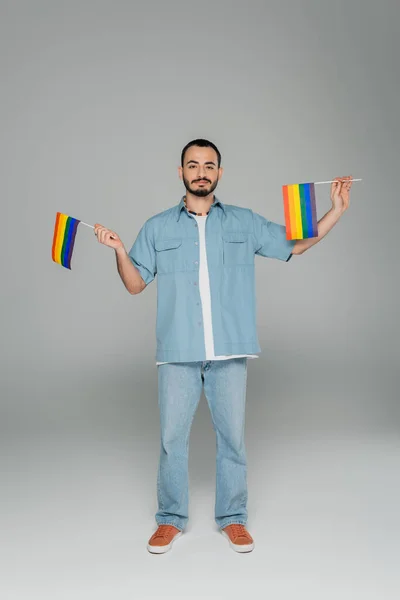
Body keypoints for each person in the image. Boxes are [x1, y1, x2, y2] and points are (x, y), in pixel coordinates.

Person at [94, 138, 353, 554]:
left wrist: (337, 209)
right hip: (177, 351)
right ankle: (170, 519)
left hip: (229, 350)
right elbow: (135, 284)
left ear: (219, 173)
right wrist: (120, 251)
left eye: (209, 165)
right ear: (180, 172)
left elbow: (297, 242)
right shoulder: (157, 227)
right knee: (171, 438)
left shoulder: (244, 223)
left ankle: (233, 518)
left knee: (232, 438)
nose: (201, 171)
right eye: (192, 165)